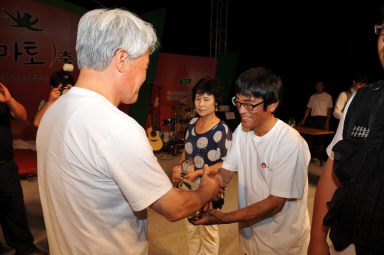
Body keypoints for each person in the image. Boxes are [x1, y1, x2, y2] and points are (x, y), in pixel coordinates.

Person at [36, 8, 223, 255]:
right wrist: (205, 192)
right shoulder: (117, 128)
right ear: (122, 60)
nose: (145, 77)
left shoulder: (52, 112)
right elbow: (173, 208)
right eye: (145, 66)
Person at [191, 67, 311, 255]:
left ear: (272, 105)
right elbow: (226, 172)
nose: (241, 110)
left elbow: (275, 203)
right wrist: (206, 192)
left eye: (249, 105)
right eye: (238, 103)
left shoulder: (290, 143)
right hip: (251, 239)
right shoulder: (242, 131)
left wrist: (223, 218)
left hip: (282, 245)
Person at [308, 8, 384, 255]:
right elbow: (334, 166)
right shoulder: (360, 99)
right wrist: (318, 240)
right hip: (349, 243)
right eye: (383, 30)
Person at [171, 78, 232, 255]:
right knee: (191, 230)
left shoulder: (222, 130)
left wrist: (197, 172)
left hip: (209, 188)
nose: (201, 104)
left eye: (206, 99)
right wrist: (178, 167)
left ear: (216, 102)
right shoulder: (192, 124)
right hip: (188, 186)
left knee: (208, 233)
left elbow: (227, 163)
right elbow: (187, 152)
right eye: (198, 99)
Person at [0, 82, 44, 255]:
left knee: (14, 208)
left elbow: (22, 115)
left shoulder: (3, 92)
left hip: (5, 165)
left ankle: (24, 247)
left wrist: (9, 100)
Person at [298, 81, 333, 161]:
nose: (318, 87)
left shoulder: (328, 96)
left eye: (320, 85)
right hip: (313, 118)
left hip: (322, 118)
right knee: (309, 137)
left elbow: (329, 110)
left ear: (323, 86)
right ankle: (307, 155)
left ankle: (316, 157)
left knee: (320, 138)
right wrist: (303, 120)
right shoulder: (313, 96)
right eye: (317, 86)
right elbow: (308, 109)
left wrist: (327, 122)